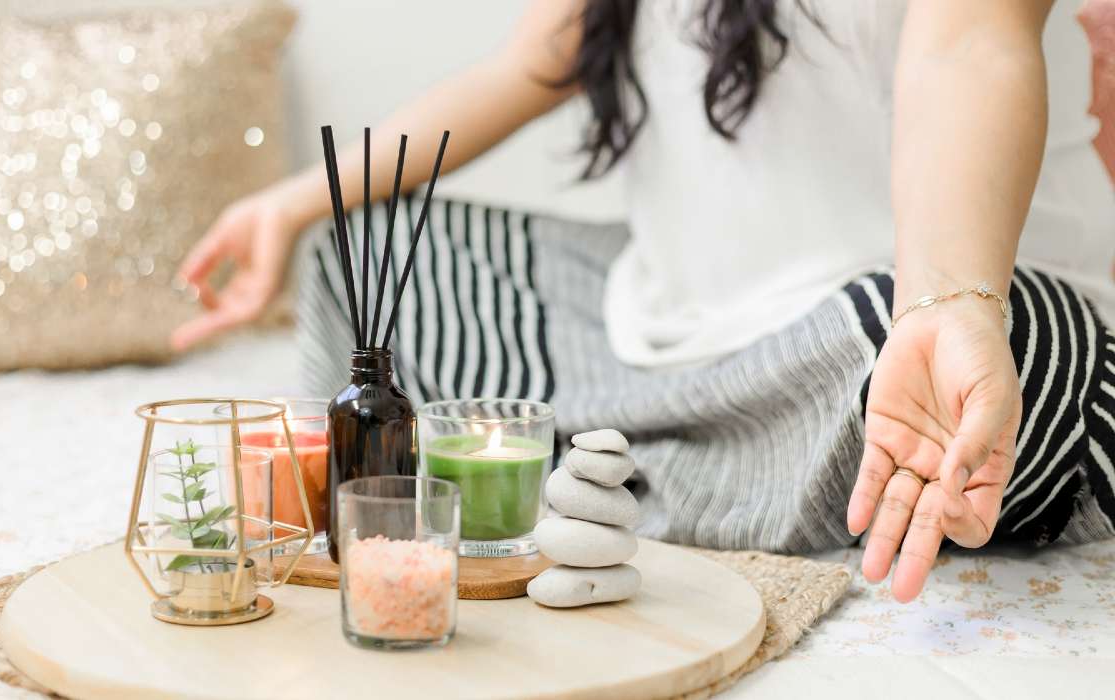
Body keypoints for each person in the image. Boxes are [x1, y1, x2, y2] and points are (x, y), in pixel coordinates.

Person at [172, 0, 1115, 602]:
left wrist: (945, 302)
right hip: (662, 331)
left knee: (1024, 360)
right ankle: (690, 468)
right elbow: (525, 67)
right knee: (363, 248)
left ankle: (620, 471)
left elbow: (969, 47)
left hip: (900, 329)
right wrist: (292, 205)